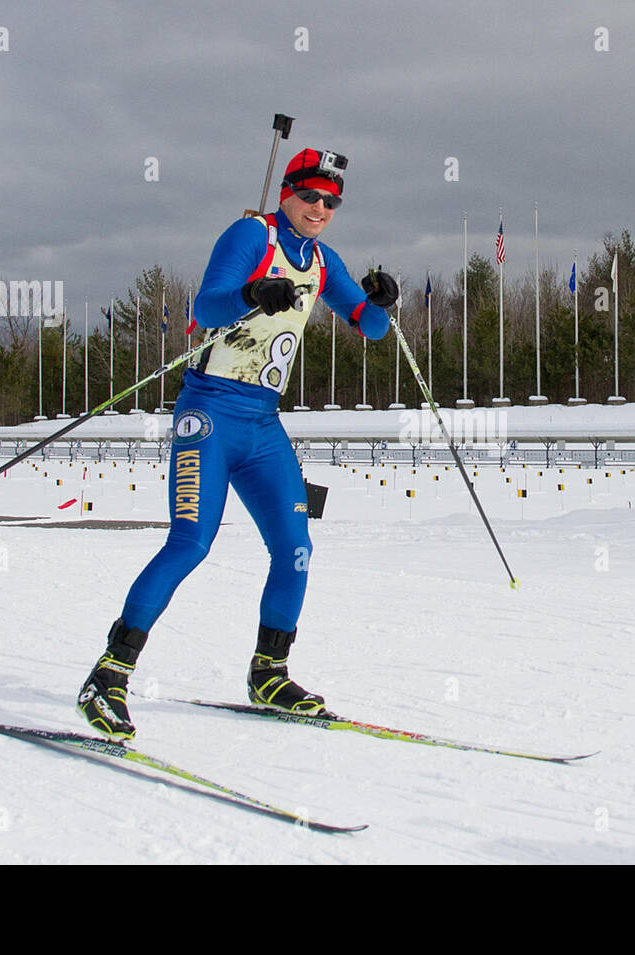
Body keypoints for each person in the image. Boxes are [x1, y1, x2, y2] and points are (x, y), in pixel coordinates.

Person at [77, 147, 398, 740]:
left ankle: (268, 673)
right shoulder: (251, 235)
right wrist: (253, 294)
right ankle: (109, 674)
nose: (320, 209)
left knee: (295, 548)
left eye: (331, 202)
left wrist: (380, 302)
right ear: (287, 193)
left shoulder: (323, 261)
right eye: (310, 196)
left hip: (262, 423)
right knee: (191, 543)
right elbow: (207, 304)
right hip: (210, 414)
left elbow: (371, 328)